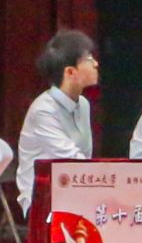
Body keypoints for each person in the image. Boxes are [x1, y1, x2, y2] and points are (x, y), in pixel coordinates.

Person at [17, 30, 97, 212]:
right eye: (89, 59)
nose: (95, 64)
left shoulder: (83, 104)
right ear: (70, 72)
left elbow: (84, 158)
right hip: (43, 202)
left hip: (74, 193)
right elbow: (70, 159)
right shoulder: (43, 110)